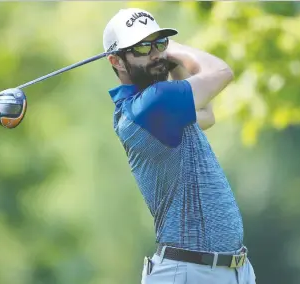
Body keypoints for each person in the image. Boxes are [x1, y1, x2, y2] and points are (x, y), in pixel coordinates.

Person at [103, 7, 256, 284]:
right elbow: (221, 72)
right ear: (117, 61)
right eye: (142, 47)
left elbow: (207, 115)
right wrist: (174, 49)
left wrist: (164, 61)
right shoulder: (153, 103)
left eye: (159, 43)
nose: (155, 53)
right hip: (190, 273)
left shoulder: (152, 107)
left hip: (228, 271)